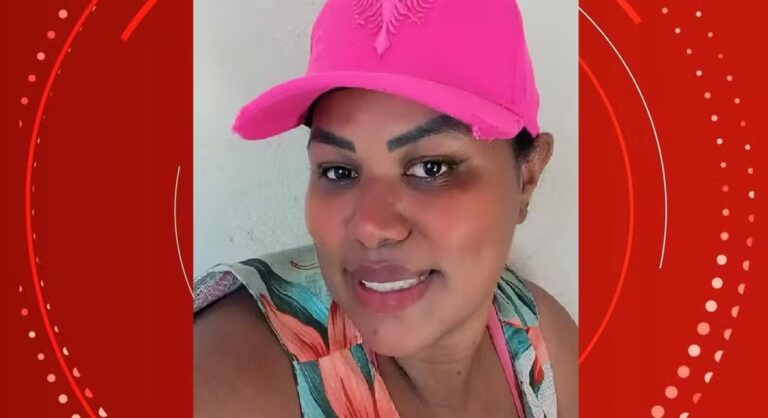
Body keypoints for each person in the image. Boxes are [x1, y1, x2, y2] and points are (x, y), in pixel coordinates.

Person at [194, 0, 577, 416]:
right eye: (339, 171)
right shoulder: (231, 380)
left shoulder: (542, 342)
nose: (371, 227)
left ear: (527, 177)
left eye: (432, 168)